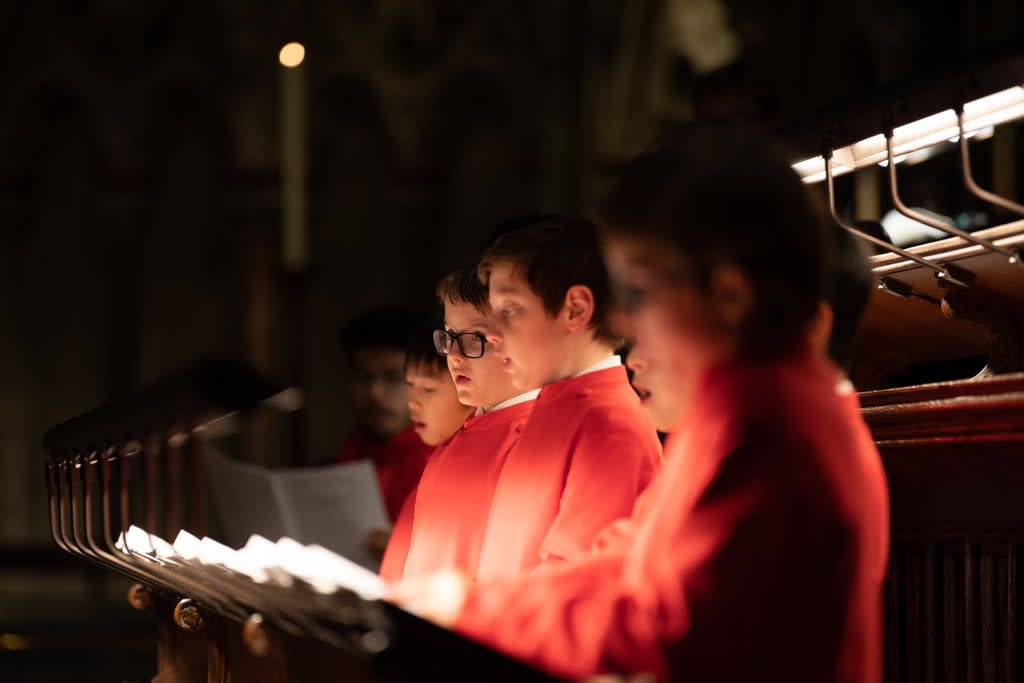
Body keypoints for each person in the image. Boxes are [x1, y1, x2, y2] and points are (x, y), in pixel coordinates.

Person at [399, 125, 889, 683]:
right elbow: (628, 562)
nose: (626, 321)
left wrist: (472, 611)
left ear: (727, 296)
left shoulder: (775, 425)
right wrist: (471, 604)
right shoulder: (742, 410)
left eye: (638, 292)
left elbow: (657, 625)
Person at [471, 215, 662, 579]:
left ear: (575, 309)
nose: (493, 334)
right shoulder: (551, 408)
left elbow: (575, 582)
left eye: (510, 311)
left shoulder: (609, 427)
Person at [380, 263, 539, 581]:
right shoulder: (465, 433)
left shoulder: (530, 441)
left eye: (474, 338)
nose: (453, 354)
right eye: (449, 336)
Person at [334, 308, 435, 522]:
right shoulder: (345, 457)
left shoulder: (442, 466)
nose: (374, 393)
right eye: (363, 378)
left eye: (392, 378)